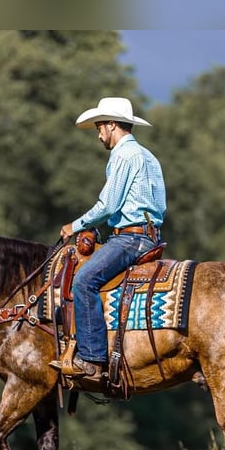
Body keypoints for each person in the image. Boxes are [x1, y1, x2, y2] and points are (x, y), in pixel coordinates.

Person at [50, 97, 166, 383]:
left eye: (100, 127)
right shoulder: (147, 155)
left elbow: (108, 205)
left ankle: (91, 359)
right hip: (149, 235)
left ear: (112, 125)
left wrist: (75, 226)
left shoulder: (124, 156)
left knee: (84, 280)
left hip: (131, 238)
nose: (99, 134)